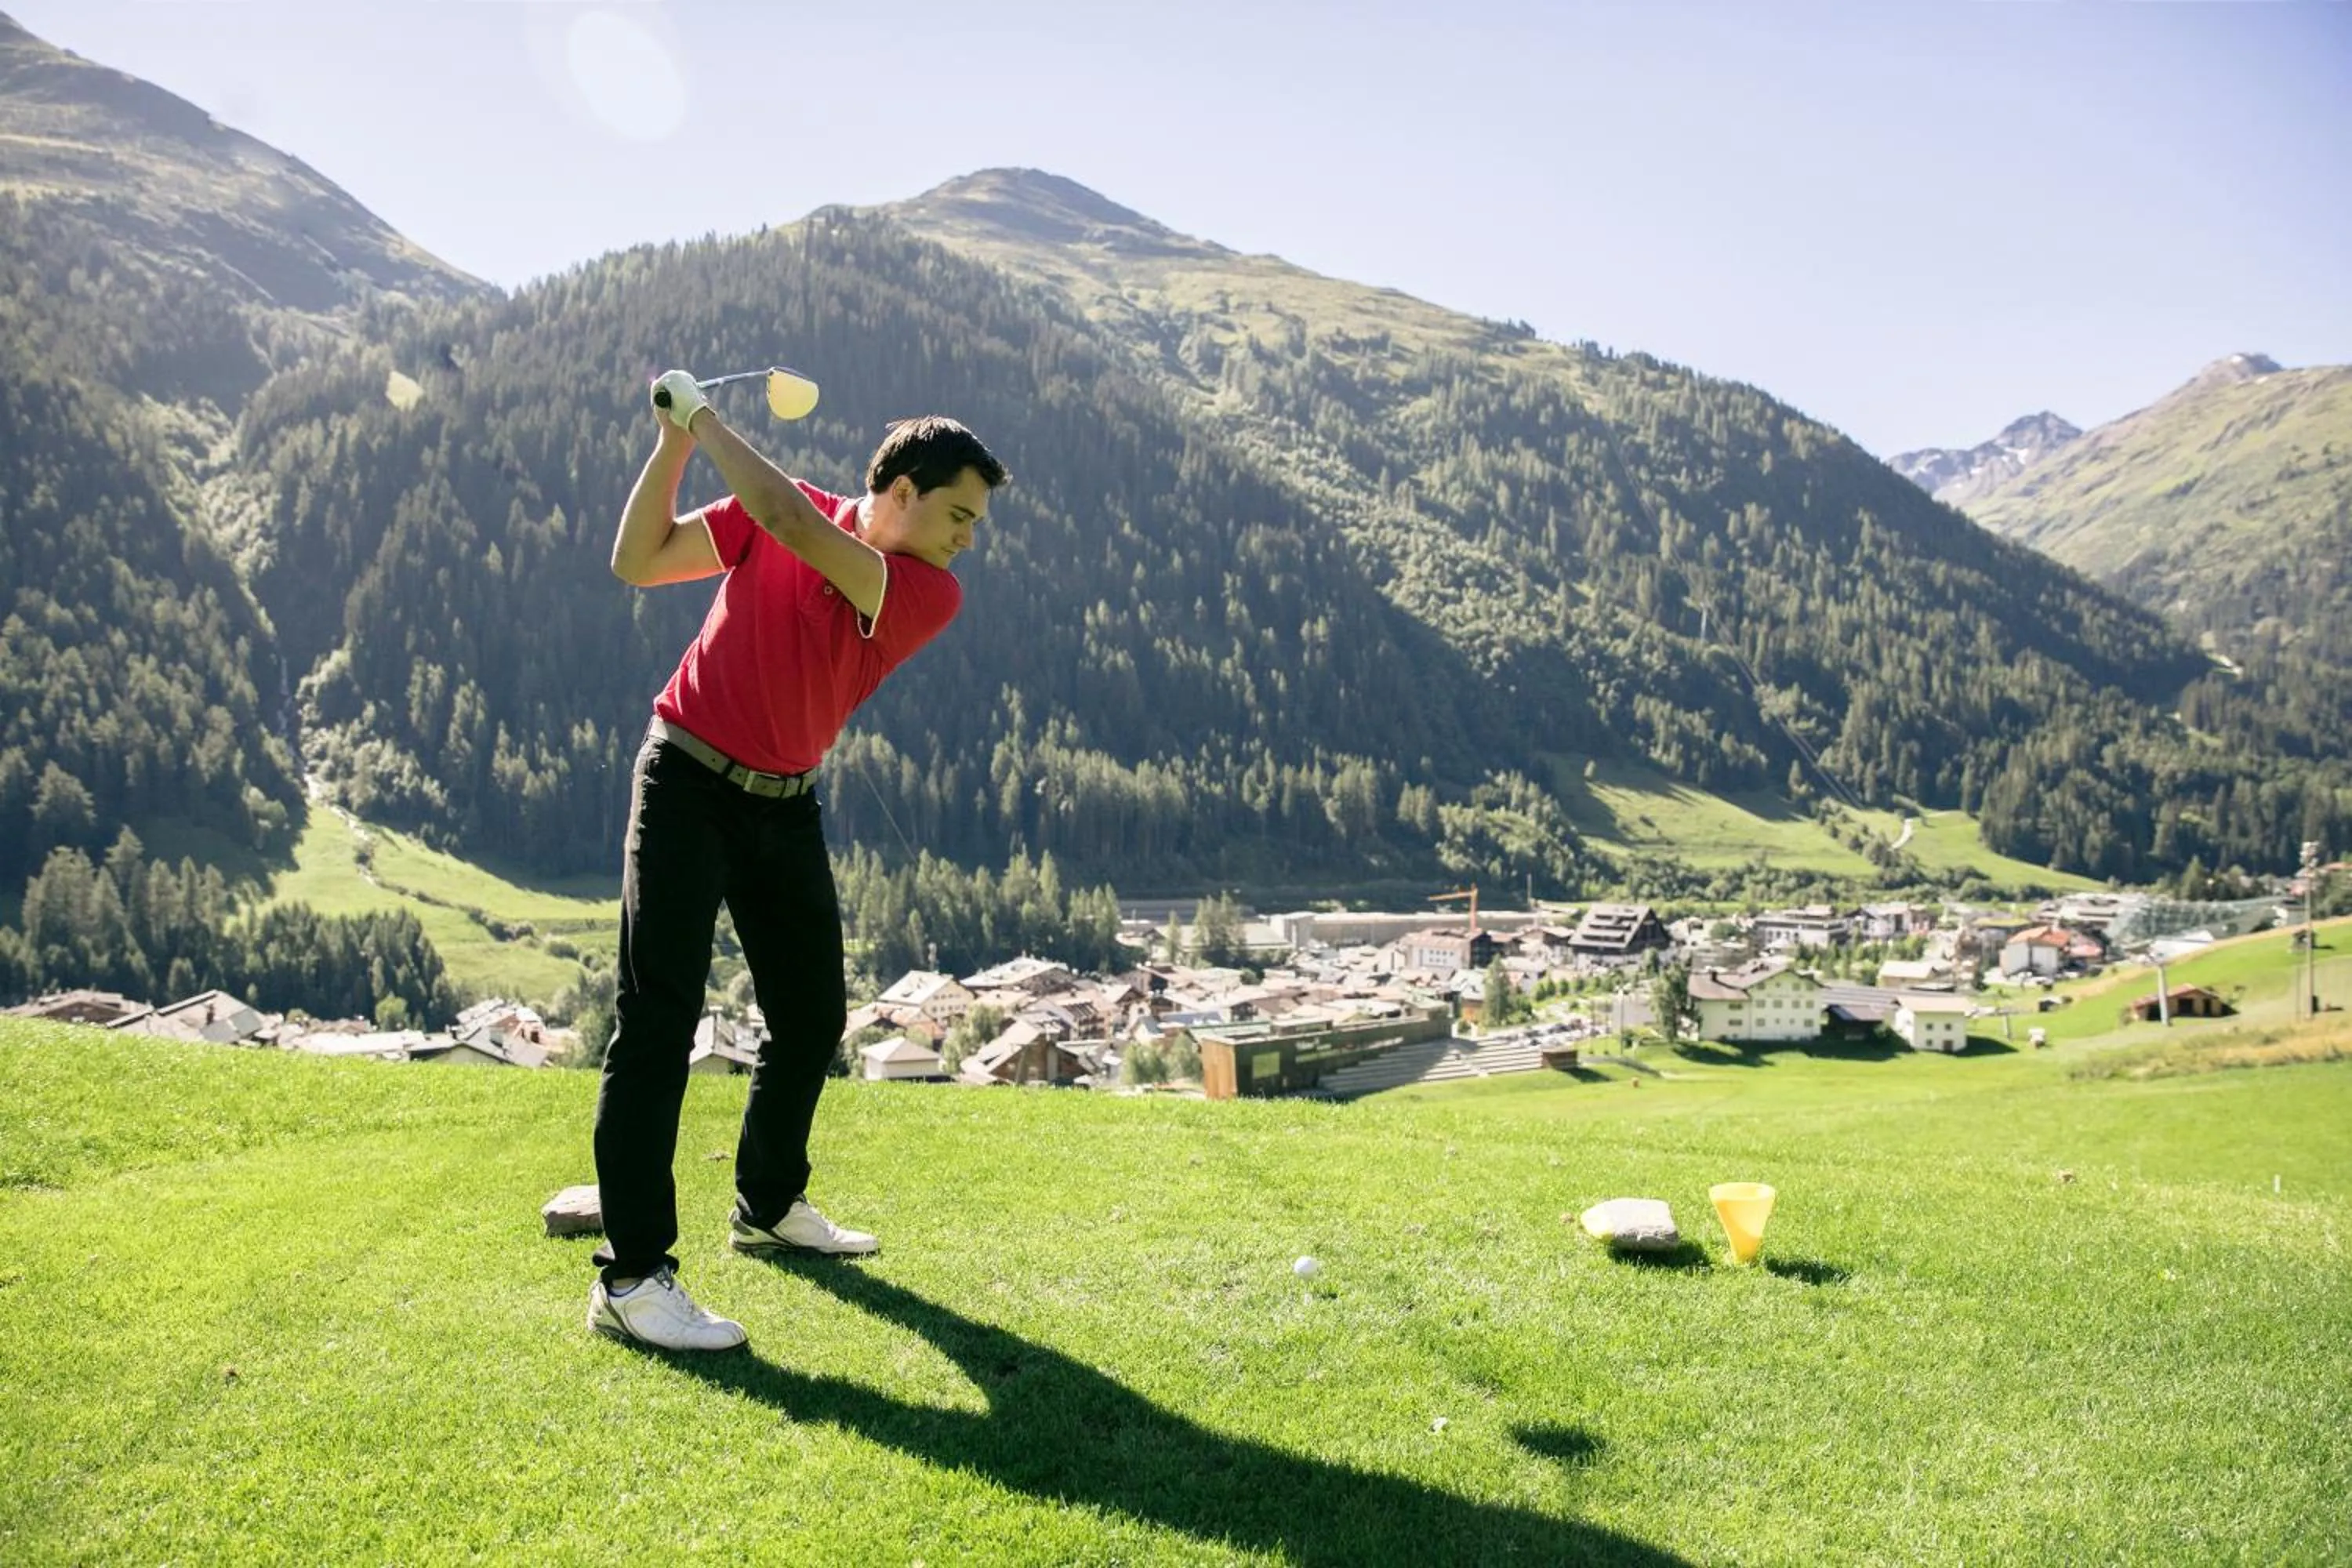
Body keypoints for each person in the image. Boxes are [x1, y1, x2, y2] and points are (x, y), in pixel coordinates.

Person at [587, 368, 1007, 1351]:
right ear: (900, 493)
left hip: (781, 805)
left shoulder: (921, 590)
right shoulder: (779, 513)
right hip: (685, 779)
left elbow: (782, 514)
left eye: (976, 523)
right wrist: (673, 448)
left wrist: (704, 416)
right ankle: (633, 1276)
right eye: (958, 513)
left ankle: (767, 1204)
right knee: (657, 1023)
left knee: (812, 1012)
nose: (967, 538)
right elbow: (637, 560)